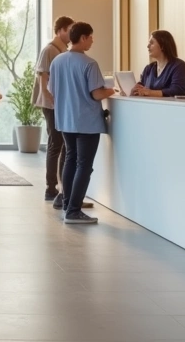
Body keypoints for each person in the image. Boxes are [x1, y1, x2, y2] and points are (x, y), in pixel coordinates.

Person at [48, 22, 115, 224]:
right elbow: (96, 94)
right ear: (83, 38)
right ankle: (74, 211)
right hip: (86, 122)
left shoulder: (57, 61)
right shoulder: (89, 64)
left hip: (65, 119)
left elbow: (52, 89)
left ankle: (67, 203)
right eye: (91, 37)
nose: (92, 41)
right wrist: (112, 90)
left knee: (70, 160)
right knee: (84, 165)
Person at [34, 16, 74, 204]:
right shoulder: (50, 49)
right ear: (60, 31)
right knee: (55, 143)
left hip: (59, 102)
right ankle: (51, 188)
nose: (72, 34)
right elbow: (42, 74)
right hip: (51, 104)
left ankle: (62, 187)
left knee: (62, 144)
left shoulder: (64, 50)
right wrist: (47, 95)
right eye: (69, 30)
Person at [131, 30, 185, 97]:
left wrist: (150, 93)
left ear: (162, 46)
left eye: (151, 43)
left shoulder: (179, 66)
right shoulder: (148, 68)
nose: (148, 46)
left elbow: (177, 91)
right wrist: (134, 91)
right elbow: (141, 87)